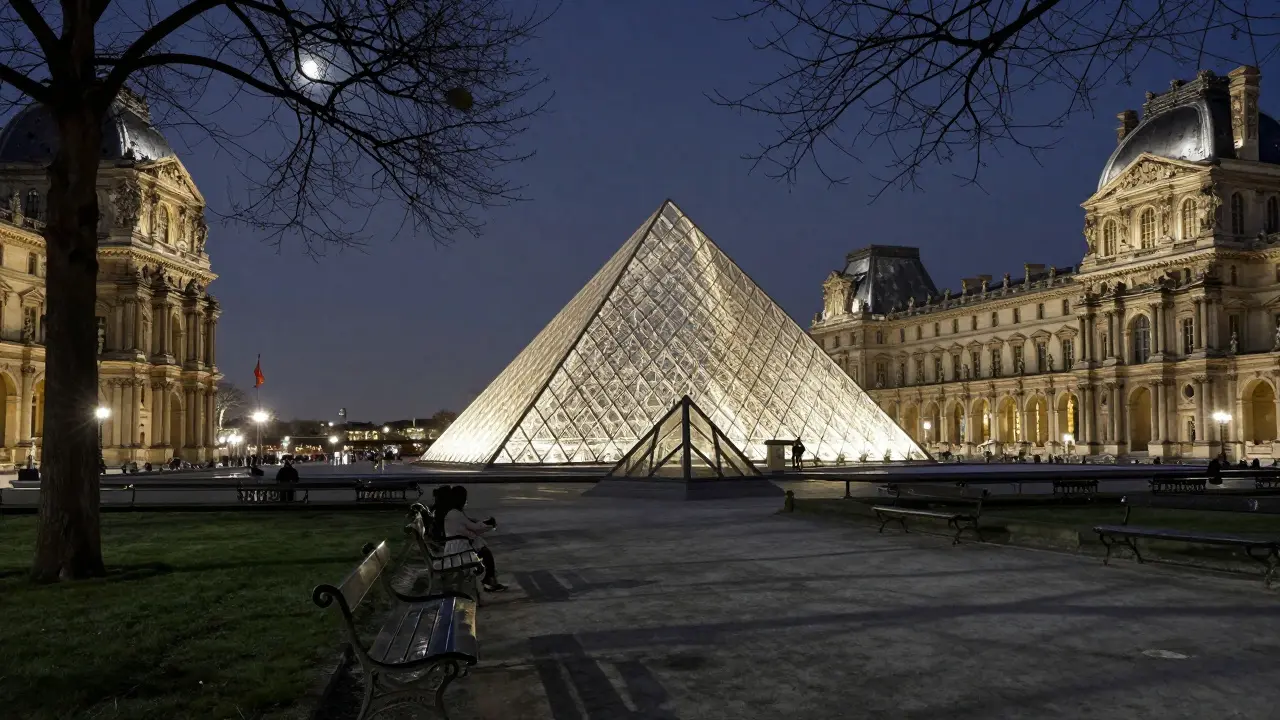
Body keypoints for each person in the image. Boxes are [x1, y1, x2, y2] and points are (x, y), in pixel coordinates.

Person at [440, 485, 506, 592]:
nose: (466, 500)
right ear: (460, 499)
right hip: (458, 551)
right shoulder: (456, 514)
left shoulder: (453, 513)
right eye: (465, 498)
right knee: (486, 553)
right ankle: (489, 581)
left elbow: (469, 526)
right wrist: (489, 525)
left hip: (456, 546)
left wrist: (483, 523)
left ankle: (489, 580)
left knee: (483, 549)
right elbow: (474, 529)